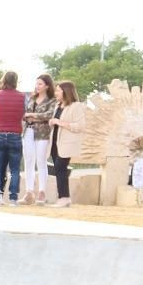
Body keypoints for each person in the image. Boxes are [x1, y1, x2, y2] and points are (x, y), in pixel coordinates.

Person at [0, 70, 25, 207]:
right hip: (15, 135)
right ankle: (13, 199)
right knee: (15, 170)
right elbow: (24, 114)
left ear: (3, 80)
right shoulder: (22, 97)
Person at [49, 80, 86, 208]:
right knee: (59, 169)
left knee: (60, 168)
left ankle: (64, 197)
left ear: (66, 91)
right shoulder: (57, 106)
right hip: (55, 142)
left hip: (67, 143)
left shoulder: (76, 106)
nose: (56, 93)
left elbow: (80, 126)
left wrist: (60, 122)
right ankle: (63, 197)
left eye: (58, 90)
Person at [22, 74, 57, 205]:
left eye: (40, 84)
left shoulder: (51, 100)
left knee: (41, 161)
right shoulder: (31, 98)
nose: (37, 86)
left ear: (47, 86)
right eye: (36, 84)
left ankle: (42, 191)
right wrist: (32, 117)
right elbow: (24, 114)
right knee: (28, 160)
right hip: (28, 131)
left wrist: (33, 115)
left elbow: (49, 115)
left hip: (42, 133)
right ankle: (29, 191)